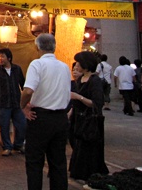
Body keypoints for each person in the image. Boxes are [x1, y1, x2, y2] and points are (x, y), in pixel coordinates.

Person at [21, 33, 71, 190]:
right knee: (58, 162)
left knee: (35, 162)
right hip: (61, 118)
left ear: (37, 47)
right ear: (54, 47)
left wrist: (23, 106)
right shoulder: (64, 66)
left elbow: (28, 90)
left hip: (40, 117)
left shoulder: (37, 64)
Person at [68, 51, 108, 182]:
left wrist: (78, 97)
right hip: (79, 118)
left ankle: (90, 173)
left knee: (89, 147)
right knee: (78, 145)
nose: (76, 67)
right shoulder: (80, 79)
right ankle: (78, 172)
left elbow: (96, 103)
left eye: (79, 64)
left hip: (90, 120)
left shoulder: (95, 81)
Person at [0, 47, 26, 156]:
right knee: (4, 126)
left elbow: (23, 85)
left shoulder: (17, 69)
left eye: (3, 56)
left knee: (22, 124)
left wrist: (27, 101)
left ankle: (18, 144)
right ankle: (7, 147)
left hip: (17, 102)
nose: (0, 59)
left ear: (9, 58)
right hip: (3, 103)